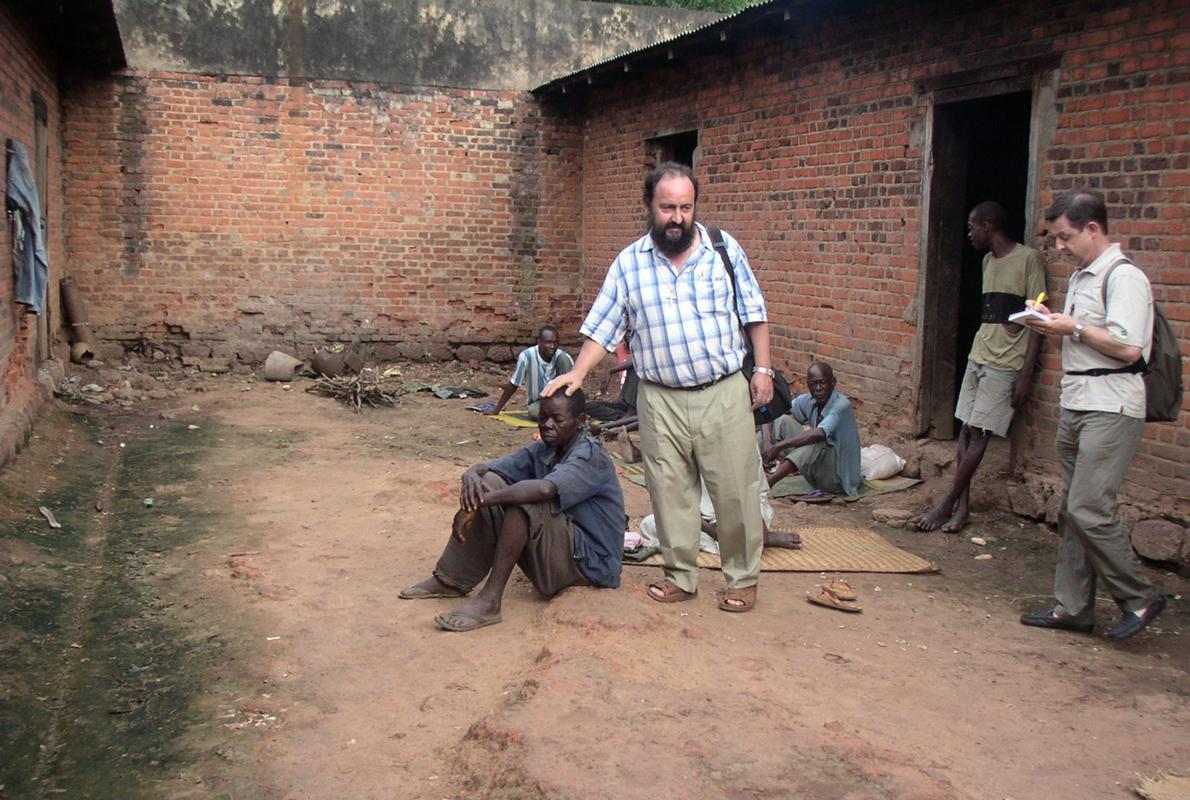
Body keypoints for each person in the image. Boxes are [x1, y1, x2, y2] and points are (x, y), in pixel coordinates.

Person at [545, 161, 774, 613]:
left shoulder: (723, 251)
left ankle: (743, 578)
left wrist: (762, 370)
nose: (677, 217)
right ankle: (680, 576)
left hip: (723, 390)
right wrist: (578, 372)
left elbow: (754, 313)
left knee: (735, 491)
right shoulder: (629, 264)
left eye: (686, 207)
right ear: (649, 206)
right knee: (670, 492)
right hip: (658, 397)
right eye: (667, 207)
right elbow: (604, 326)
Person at [1017, 188, 1166, 641]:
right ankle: (1073, 607)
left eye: (1065, 237)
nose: (1059, 247)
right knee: (1072, 509)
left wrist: (1073, 326)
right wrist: (1051, 319)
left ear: (1093, 229)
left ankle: (1139, 597)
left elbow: (1127, 347)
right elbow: (1087, 335)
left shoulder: (1125, 278)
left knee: (1089, 507)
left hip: (1111, 405)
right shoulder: (1085, 276)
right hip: (1078, 401)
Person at [400, 389, 626, 632]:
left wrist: (479, 503)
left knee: (524, 500)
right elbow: (489, 469)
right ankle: (451, 580)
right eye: (542, 418)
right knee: (492, 482)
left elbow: (544, 491)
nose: (547, 425)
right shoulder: (546, 448)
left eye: (557, 420)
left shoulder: (591, 455)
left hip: (592, 563)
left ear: (581, 421)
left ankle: (490, 600)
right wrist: (470, 476)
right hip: (562, 549)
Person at [914, 201, 1046, 532]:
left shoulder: (1029, 259)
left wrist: (1025, 375)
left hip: (1006, 364)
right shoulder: (988, 261)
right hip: (978, 355)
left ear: (989, 226)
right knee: (967, 430)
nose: (970, 234)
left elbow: (1039, 321)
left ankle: (946, 505)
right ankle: (962, 508)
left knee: (981, 435)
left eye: (973, 227)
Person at [639, 456, 802, 551]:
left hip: (742, 512)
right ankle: (737, 541)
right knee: (649, 524)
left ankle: (748, 540)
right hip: (699, 520)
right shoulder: (680, 448)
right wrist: (708, 528)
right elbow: (675, 503)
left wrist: (757, 529)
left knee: (749, 529)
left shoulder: (736, 443)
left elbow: (751, 496)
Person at [762, 362, 862, 498]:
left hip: (838, 479)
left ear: (833, 382)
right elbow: (775, 411)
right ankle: (747, 470)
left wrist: (779, 446)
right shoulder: (809, 401)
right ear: (808, 385)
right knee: (782, 420)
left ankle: (769, 483)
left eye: (822, 383)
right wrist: (769, 442)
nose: (818, 388)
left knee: (817, 439)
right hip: (815, 476)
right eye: (813, 384)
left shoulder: (841, 405)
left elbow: (820, 434)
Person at [487, 325, 575, 419]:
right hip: (540, 403)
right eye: (548, 342)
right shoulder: (527, 356)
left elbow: (573, 388)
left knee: (564, 360)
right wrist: (497, 410)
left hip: (561, 402)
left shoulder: (563, 357)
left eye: (555, 342)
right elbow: (514, 384)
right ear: (539, 342)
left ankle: (565, 414)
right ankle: (562, 416)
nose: (552, 346)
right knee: (534, 411)